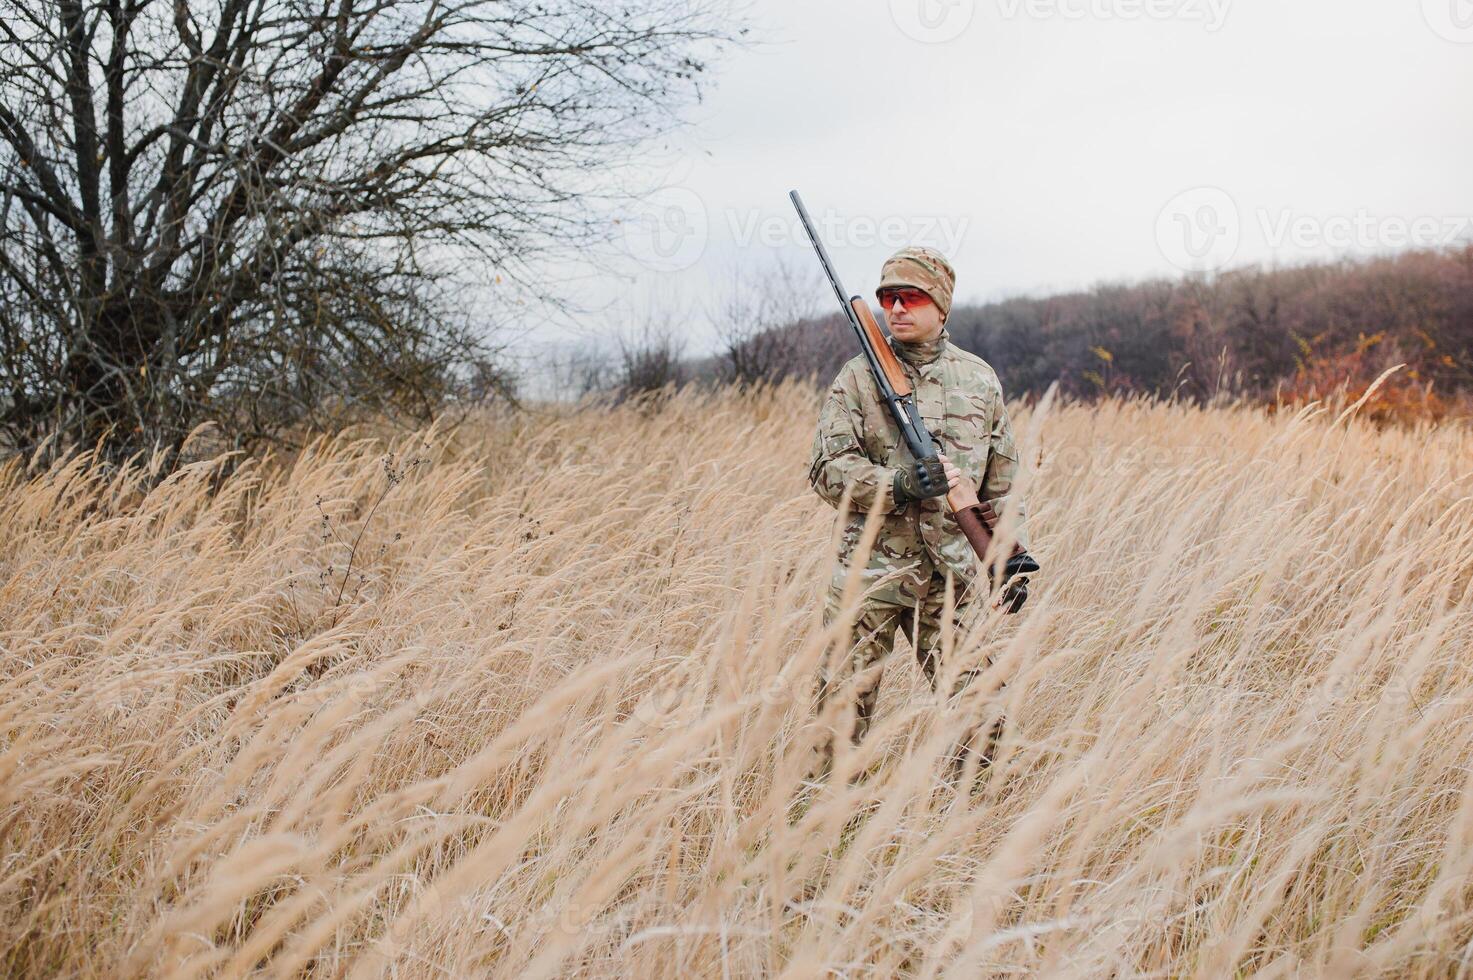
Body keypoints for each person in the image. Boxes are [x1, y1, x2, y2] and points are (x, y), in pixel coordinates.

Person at [807, 245, 1034, 780]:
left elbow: (1003, 483)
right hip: (869, 574)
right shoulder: (858, 379)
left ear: (941, 306)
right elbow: (825, 470)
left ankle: (966, 828)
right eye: (888, 298)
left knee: (980, 713)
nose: (896, 308)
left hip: (951, 573)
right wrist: (898, 484)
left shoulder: (980, 381)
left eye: (910, 297)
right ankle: (824, 833)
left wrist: (1008, 560)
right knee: (840, 715)